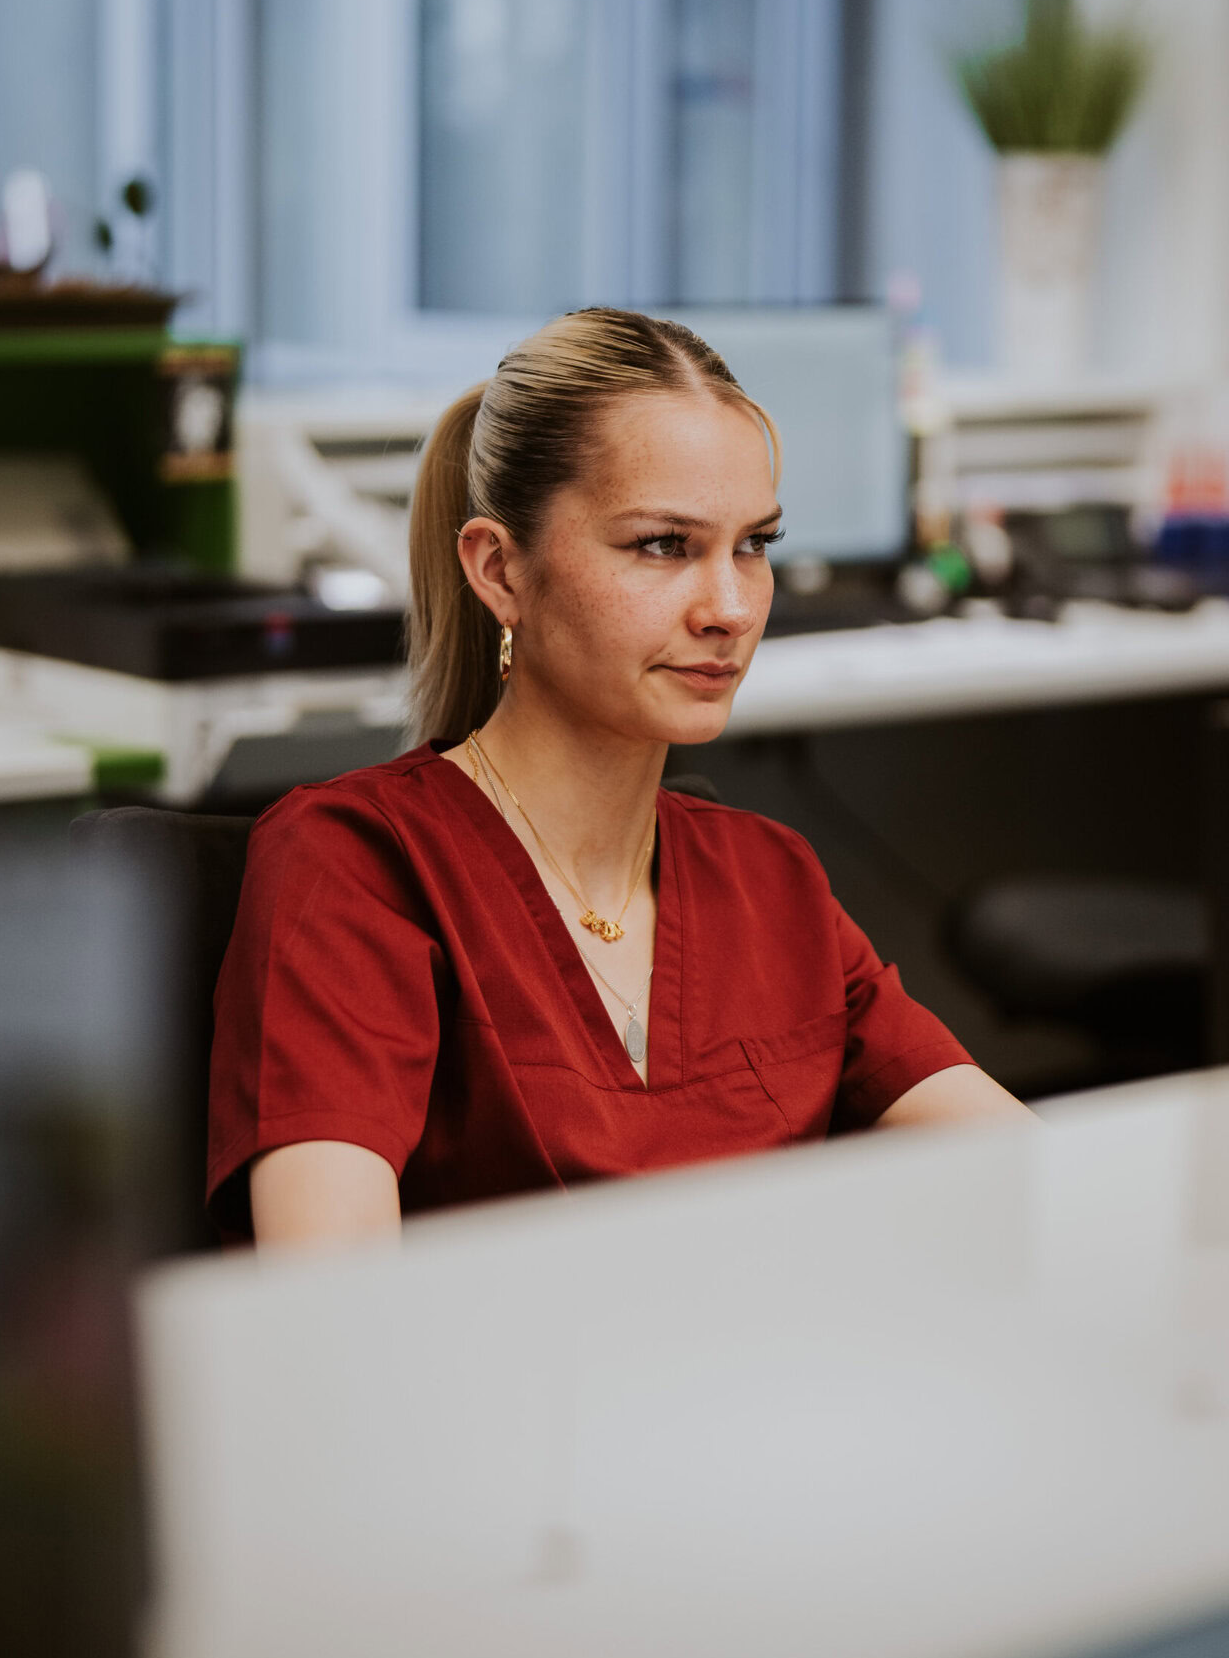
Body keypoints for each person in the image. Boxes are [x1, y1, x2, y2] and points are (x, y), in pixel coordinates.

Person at [208, 308, 1023, 1246]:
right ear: (500, 569)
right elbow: (330, 1325)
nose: (729, 608)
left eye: (753, 545)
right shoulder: (357, 870)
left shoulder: (772, 882)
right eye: (663, 545)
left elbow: (1050, 1188)